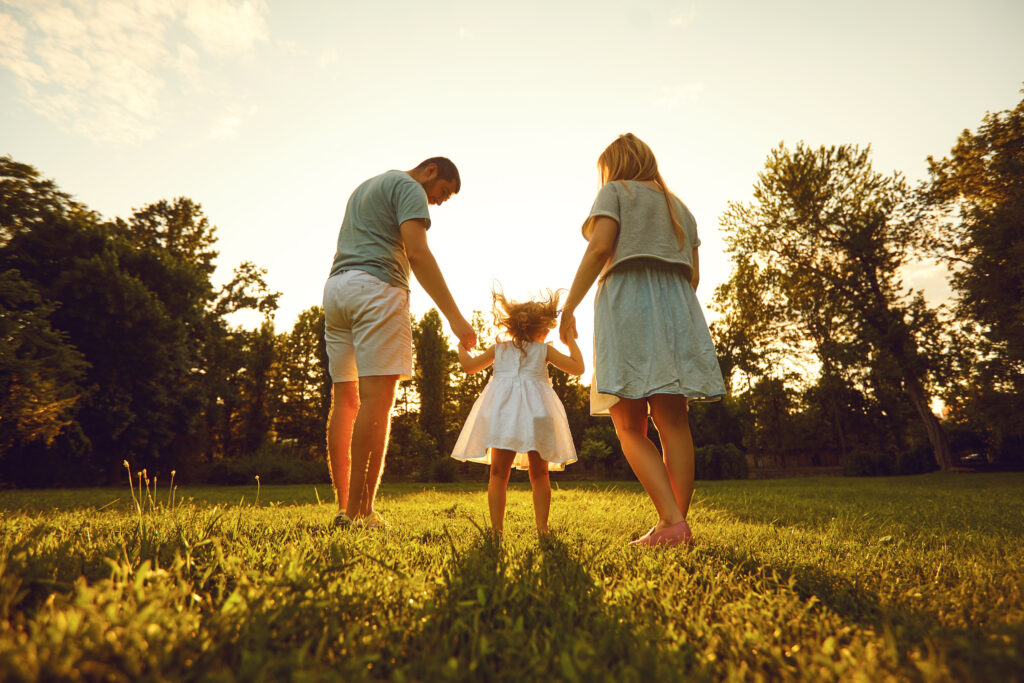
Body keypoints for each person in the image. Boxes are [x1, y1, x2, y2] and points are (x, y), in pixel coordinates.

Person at [559, 133, 726, 547]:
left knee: (628, 423)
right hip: (677, 309)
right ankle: (674, 523)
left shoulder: (615, 192)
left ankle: (671, 522)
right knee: (673, 421)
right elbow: (694, 275)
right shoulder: (681, 209)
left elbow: (600, 249)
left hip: (628, 305)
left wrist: (569, 307)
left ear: (613, 166)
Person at [324, 157, 477, 529]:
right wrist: (455, 319)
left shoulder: (366, 187)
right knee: (378, 403)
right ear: (430, 171)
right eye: (441, 192)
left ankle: (346, 508)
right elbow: (418, 253)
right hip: (377, 290)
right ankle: (361, 513)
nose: (438, 203)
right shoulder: (410, 188)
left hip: (337, 289)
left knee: (345, 400)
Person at [451, 288, 584, 536]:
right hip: (538, 413)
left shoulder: (499, 349)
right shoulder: (544, 351)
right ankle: (542, 529)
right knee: (540, 473)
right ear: (542, 329)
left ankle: (496, 530)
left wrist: (462, 346)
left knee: (498, 473)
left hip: (504, 413)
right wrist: (570, 340)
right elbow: (578, 368)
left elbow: (468, 367)